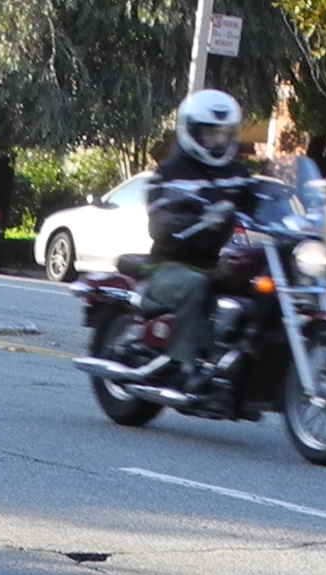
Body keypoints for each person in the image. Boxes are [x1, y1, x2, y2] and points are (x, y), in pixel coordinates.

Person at [129, 89, 257, 382]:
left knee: (260, 290)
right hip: (169, 266)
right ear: (190, 131)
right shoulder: (171, 172)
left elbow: (258, 202)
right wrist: (191, 218)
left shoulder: (237, 172)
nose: (218, 141)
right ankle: (183, 363)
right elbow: (160, 220)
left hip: (215, 262)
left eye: (225, 134)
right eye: (210, 133)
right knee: (196, 285)